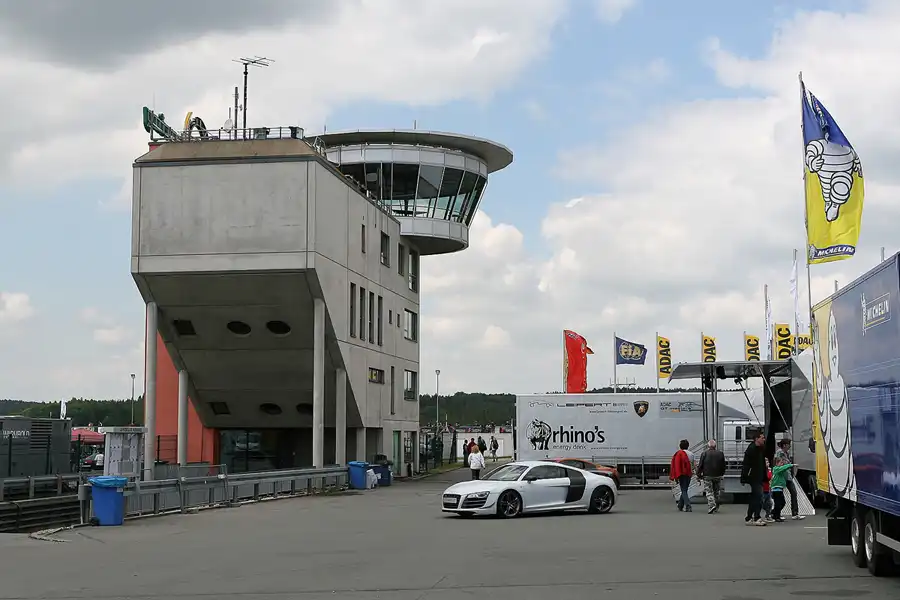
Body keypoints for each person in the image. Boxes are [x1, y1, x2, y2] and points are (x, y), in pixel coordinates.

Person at [740, 431, 768, 526]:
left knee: (754, 498)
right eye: (762, 438)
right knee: (759, 497)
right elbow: (746, 465)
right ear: (757, 439)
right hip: (753, 477)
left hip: (759, 476)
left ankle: (748, 518)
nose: (764, 439)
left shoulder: (760, 449)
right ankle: (757, 517)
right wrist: (744, 477)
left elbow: (762, 465)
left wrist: (764, 476)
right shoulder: (751, 449)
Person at [774, 438, 806, 521]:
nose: (790, 446)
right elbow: (780, 464)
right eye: (789, 444)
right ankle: (776, 513)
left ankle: (794, 513)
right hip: (783, 477)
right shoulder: (780, 453)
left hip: (787, 476)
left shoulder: (786, 453)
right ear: (785, 445)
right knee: (781, 497)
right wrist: (790, 464)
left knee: (793, 493)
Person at [696, 439, 726, 514]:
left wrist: (698, 474)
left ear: (708, 446)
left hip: (707, 475)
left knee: (709, 491)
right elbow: (723, 465)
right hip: (718, 475)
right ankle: (717, 506)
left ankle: (712, 505)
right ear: (715, 446)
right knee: (716, 491)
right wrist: (722, 473)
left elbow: (700, 465)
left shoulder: (704, 453)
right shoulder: (720, 453)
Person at [670, 439, 693, 512]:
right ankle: (680, 505)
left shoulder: (678, 454)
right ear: (688, 446)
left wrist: (676, 476)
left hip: (681, 474)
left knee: (683, 490)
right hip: (689, 474)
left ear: (680, 446)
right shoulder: (691, 454)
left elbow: (676, 465)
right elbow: (693, 464)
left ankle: (688, 506)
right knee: (685, 489)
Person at [770, 456, 795, 522]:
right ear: (777, 463)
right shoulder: (776, 469)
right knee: (778, 503)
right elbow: (783, 468)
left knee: (783, 503)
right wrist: (790, 465)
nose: (782, 464)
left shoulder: (780, 470)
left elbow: (784, 471)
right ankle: (776, 516)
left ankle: (774, 512)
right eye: (781, 462)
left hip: (780, 489)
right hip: (776, 489)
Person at [762, 458, 774, 523]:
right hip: (762, 490)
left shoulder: (768, 470)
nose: (768, 464)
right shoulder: (763, 471)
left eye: (768, 462)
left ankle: (767, 516)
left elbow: (770, 478)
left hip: (767, 489)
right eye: (767, 462)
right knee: (762, 503)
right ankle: (756, 516)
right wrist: (769, 471)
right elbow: (769, 477)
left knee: (769, 503)